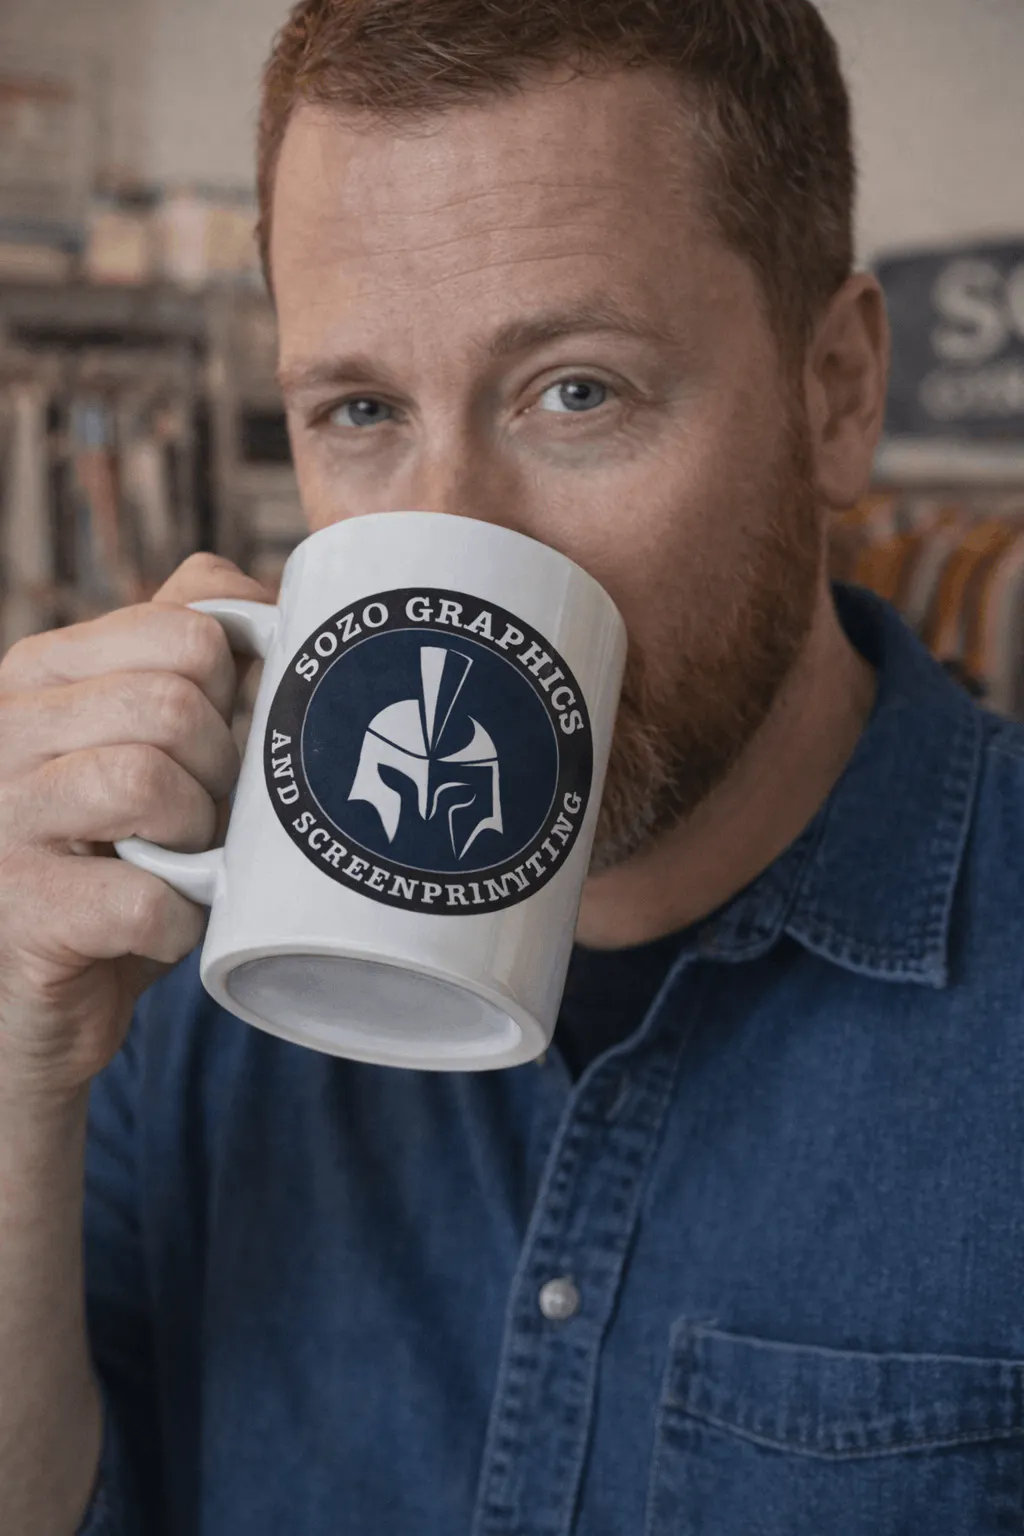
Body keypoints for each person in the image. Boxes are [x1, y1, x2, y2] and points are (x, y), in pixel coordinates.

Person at [2, 1, 1023, 1532]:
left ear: (835, 394)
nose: (459, 528)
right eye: (360, 409)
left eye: (577, 391)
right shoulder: (174, 979)